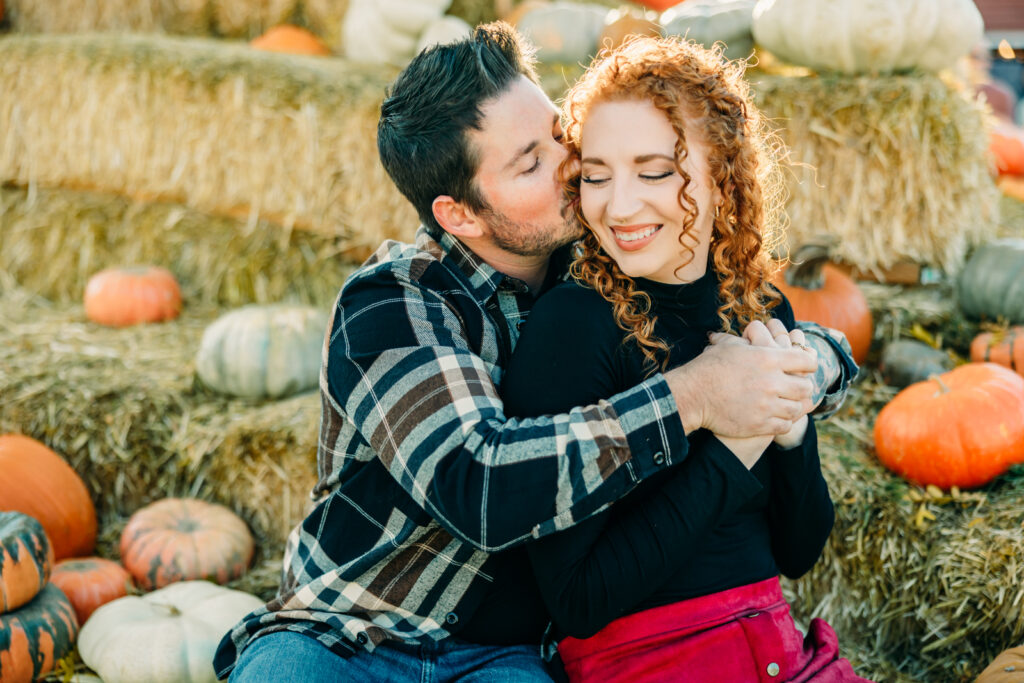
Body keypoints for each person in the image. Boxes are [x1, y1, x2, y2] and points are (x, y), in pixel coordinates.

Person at [213, 23, 858, 682]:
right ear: (461, 214)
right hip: (353, 629)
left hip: (506, 654)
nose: (574, 166)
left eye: (559, 135)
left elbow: (736, 325)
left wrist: (811, 361)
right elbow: (482, 484)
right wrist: (696, 397)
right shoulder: (395, 301)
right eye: (530, 163)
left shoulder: (603, 261)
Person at [501, 35, 869, 682]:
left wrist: (790, 431)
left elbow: (798, 550)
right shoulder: (575, 325)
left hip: (777, 645)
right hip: (650, 662)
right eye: (595, 174)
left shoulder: (762, 311)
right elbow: (577, 599)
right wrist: (735, 446)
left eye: (653, 171)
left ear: (723, 178)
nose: (618, 205)